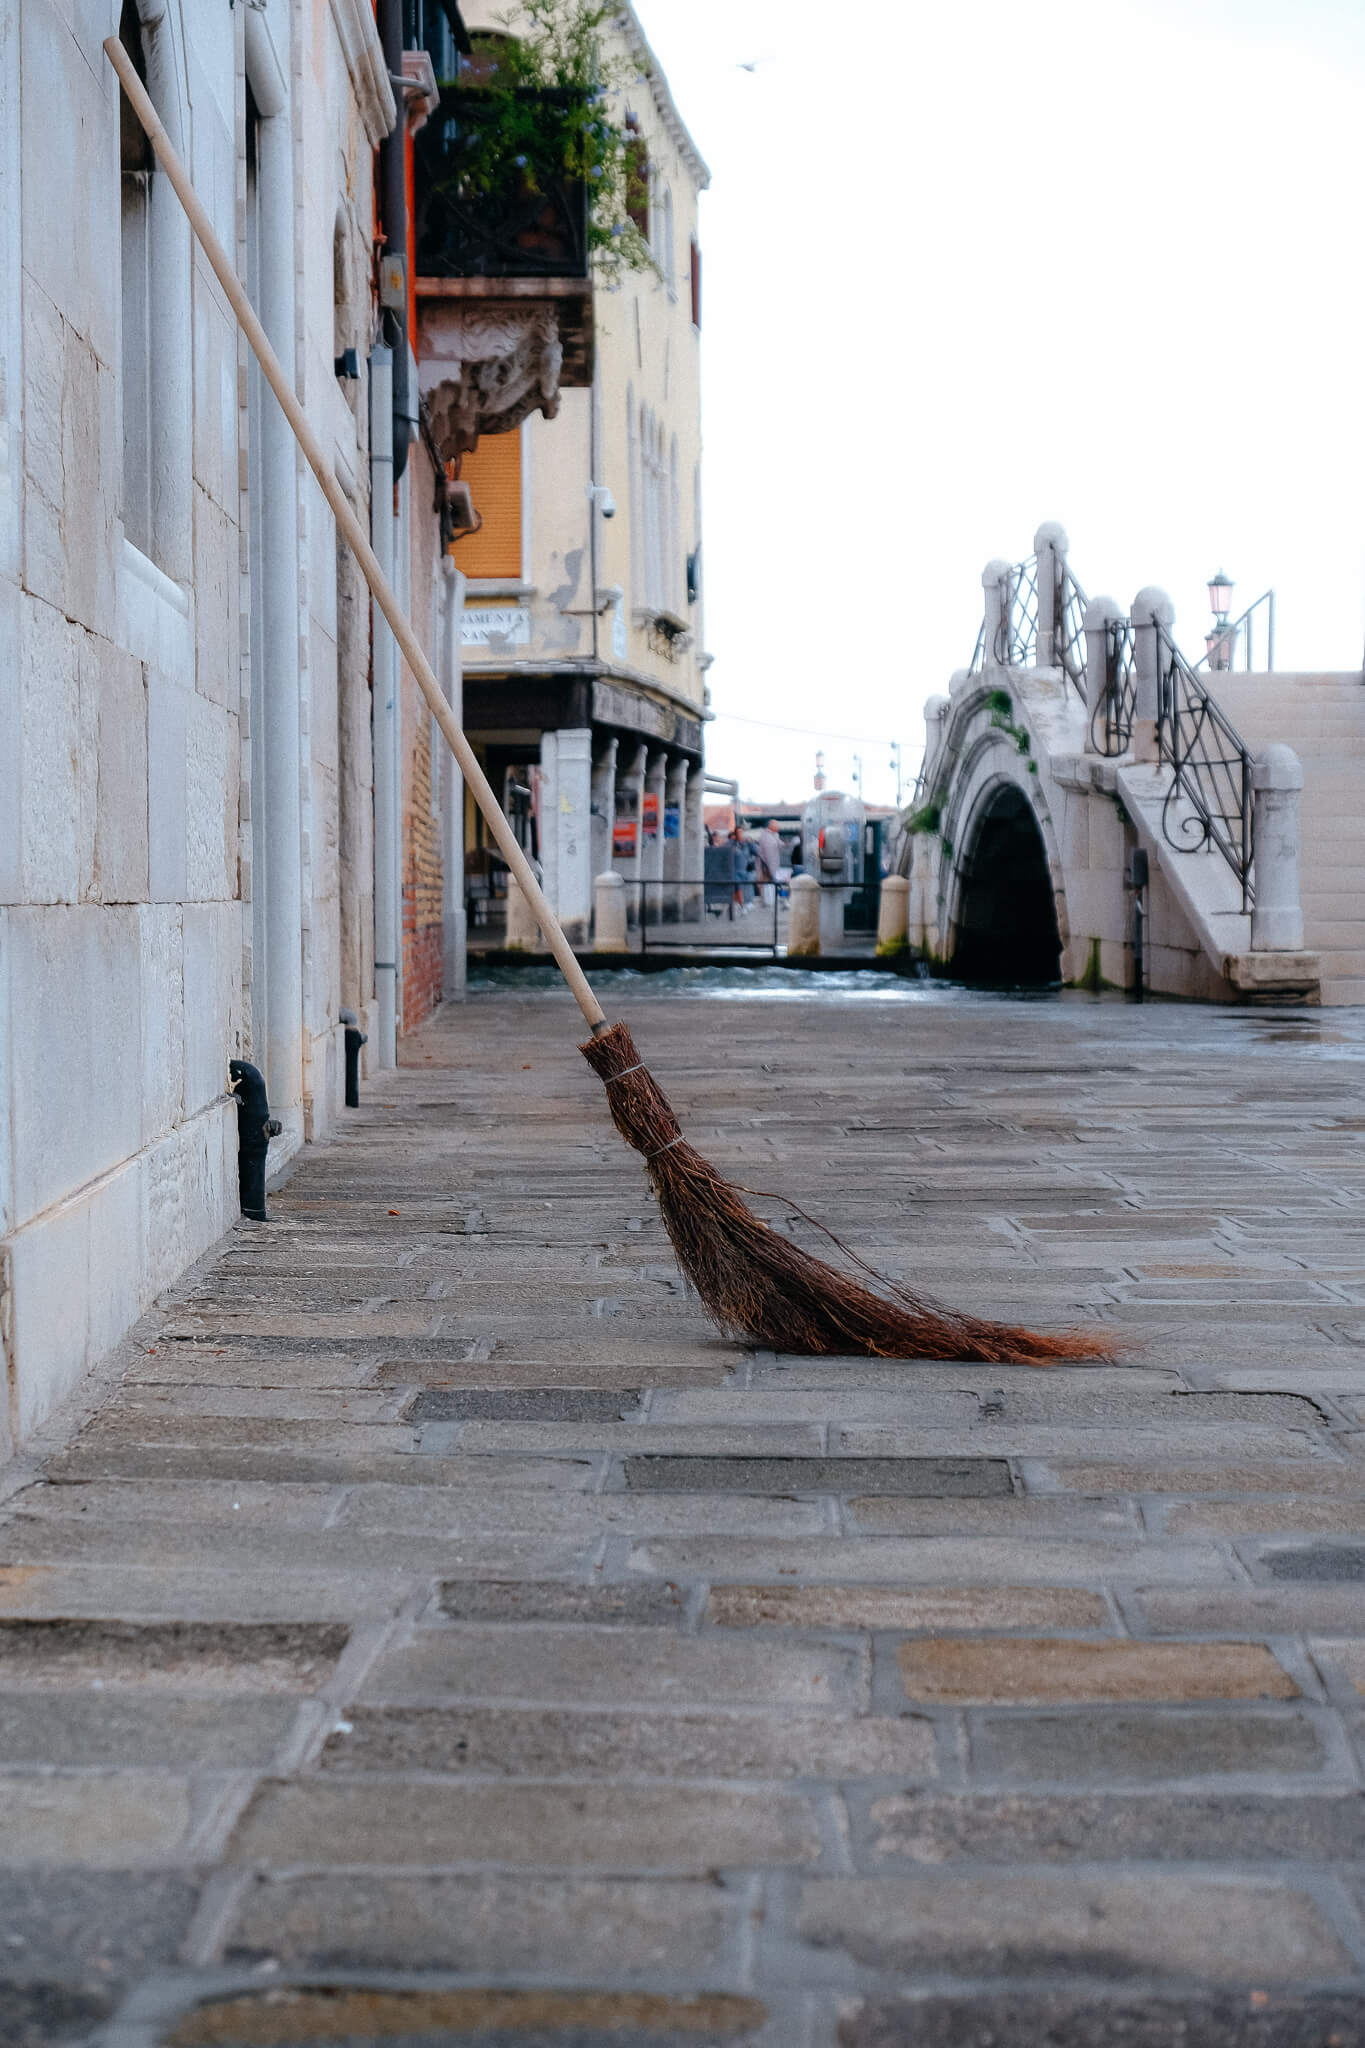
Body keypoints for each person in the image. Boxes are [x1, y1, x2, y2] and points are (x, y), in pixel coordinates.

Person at [756, 819, 782, 906]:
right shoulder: (767, 837)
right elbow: (769, 856)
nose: (779, 827)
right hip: (767, 867)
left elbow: (780, 844)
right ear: (771, 826)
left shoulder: (774, 835)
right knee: (766, 885)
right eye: (776, 825)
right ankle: (766, 902)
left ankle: (769, 902)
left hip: (772, 866)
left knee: (769, 885)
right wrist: (772, 871)